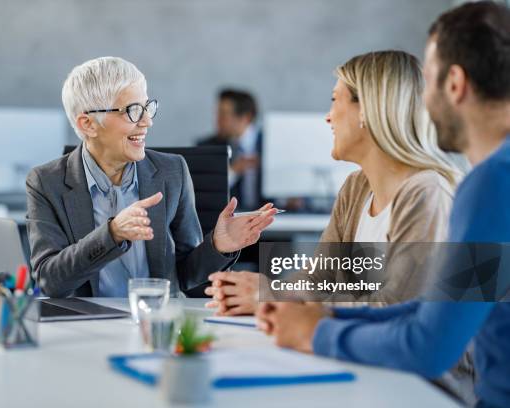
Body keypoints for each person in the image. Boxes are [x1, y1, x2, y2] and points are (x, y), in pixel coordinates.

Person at [256, 3, 510, 407]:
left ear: (455, 83)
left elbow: (431, 345)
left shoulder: (491, 186)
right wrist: (324, 317)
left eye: (427, 81)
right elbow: (430, 313)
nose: (421, 102)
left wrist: (316, 330)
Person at [206, 50, 459, 316]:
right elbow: (317, 280)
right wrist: (260, 293)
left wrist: (273, 296)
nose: (328, 117)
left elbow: (396, 307)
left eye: (335, 100)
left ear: (367, 111)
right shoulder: (356, 187)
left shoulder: (427, 193)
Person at [26, 57, 276, 298]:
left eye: (147, 108)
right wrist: (111, 234)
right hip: (87, 326)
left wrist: (217, 246)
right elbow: (49, 282)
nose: (147, 122)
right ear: (88, 124)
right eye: (133, 111)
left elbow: (186, 276)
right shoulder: (46, 183)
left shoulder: (172, 172)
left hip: (156, 321)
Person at [198, 89, 264, 211]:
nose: (217, 120)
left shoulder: (269, 144)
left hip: (274, 219)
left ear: (246, 118)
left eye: (223, 114)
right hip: (230, 221)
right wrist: (233, 171)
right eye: (217, 114)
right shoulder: (207, 147)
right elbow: (202, 191)